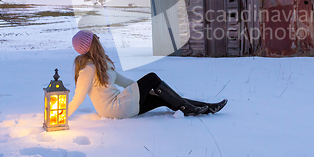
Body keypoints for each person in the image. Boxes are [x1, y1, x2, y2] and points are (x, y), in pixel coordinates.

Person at [68, 30, 227, 119]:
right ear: (92, 45)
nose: (99, 40)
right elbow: (78, 97)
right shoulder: (87, 69)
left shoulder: (102, 65)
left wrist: (148, 90)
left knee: (162, 97)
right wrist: (61, 116)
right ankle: (190, 109)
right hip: (114, 108)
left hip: (122, 105)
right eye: (96, 38)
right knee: (151, 77)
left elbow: (125, 82)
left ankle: (206, 108)